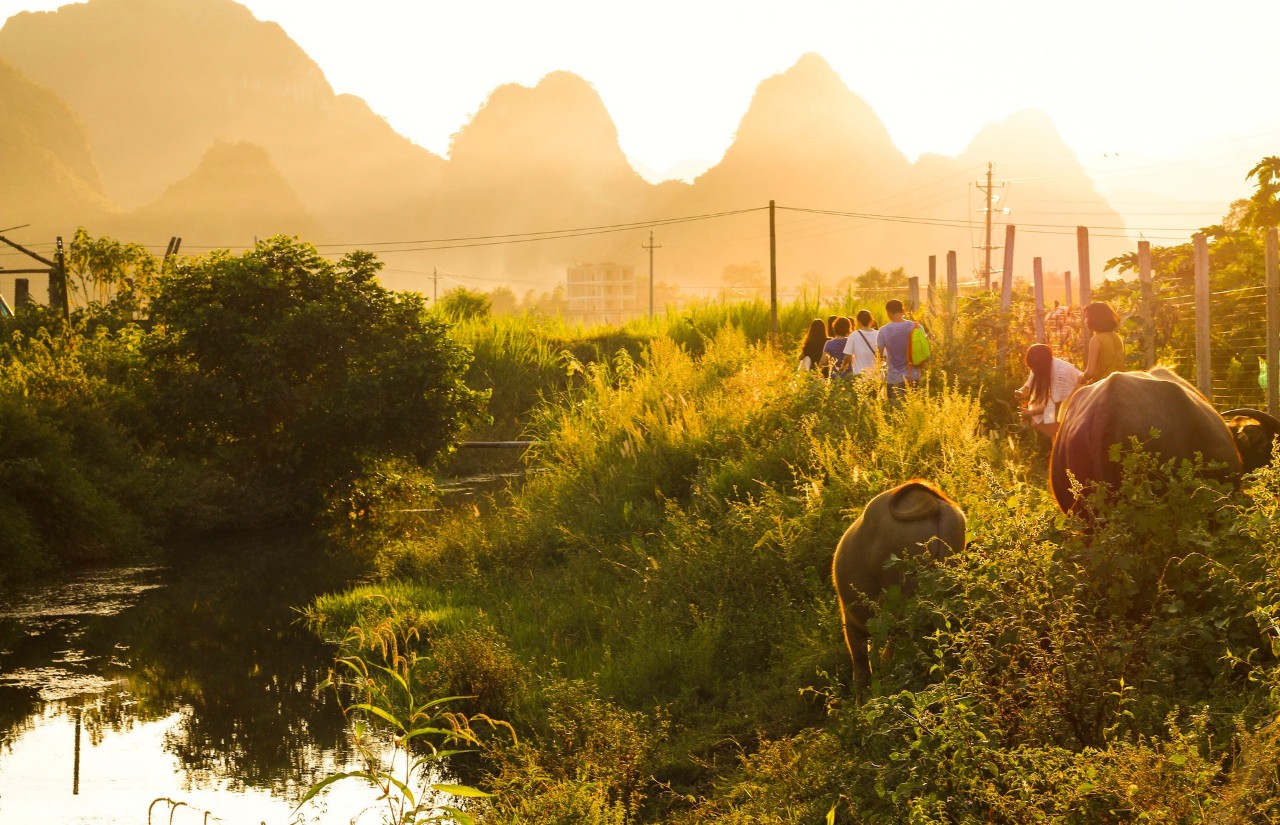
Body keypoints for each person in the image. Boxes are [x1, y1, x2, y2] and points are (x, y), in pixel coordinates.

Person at [1014, 343, 1081, 437]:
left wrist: (1030, 413)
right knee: (1039, 422)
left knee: (1043, 424)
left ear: (1040, 366)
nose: (1032, 371)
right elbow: (1028, 384)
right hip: (1066, 404)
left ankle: (1060, 441)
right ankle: (1058, 443)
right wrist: (1020, 392)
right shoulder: (1042, 364)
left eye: (1033, 369)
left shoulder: (1061, 374)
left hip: (1079, 403)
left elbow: (1056, 405)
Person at [877, 299, 922, 403]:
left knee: (895, 410)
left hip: (894, 377)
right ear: (903, 310)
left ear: (888, 312)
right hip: (913, 375)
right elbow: (923, 349)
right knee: (912, 408)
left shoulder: (884, 331)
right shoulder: (916, 326)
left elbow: (878, 355)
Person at [1080, 302, 1126, 385]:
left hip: (1102, 385)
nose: (1085, 321)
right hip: (1120, 382)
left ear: (1095, 319)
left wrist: (1081, 378)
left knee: (1074, 396)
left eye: (1087, 317)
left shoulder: (1096, 340)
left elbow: (1090, 372)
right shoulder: (1117, 337)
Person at [841, 309, 879, 379]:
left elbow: (848, 357)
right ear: (871, 321)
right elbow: (884, 357)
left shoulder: (853, 335)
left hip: (860, 378)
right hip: (877, 377)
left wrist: (843, 368)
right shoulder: (878, 334)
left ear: (857, 321)